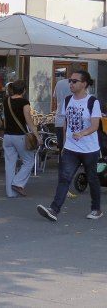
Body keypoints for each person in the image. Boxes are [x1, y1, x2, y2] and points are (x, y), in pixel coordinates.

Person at [38, 71, 103, 221]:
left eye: (74, 81)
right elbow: (66, 122)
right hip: (71, 148)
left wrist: (82, 133)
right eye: (70, 81)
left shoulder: (93, 102)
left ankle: (96, 209)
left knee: (92, 179)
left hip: (89, 149)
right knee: (64, 178)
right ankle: (53, 210)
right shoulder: (67, 100)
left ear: (84, 84)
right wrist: (65, 144)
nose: (71, 84)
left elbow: (95, 126)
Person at [0, 80, 38, 198]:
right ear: (24, 90)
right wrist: (36, 135)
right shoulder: (24, 102)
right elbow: (28, 120)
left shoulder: (6, 100)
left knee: (10, 164)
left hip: (7, 136)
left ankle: (10, 193)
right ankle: (18, 183)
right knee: (29, 161)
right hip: (20, 136)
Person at [53, 70, 73, 149]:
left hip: (59, 119)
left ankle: (62, 160)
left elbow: (54, 99)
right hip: (71, 121)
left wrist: (58, 108)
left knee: (61, 147)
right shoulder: (79, 86)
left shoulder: (59, 83)